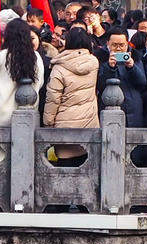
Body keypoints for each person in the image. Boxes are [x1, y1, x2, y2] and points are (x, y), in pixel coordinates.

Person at [0, 18, 44, 167]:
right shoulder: (35, 57)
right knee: (23, 155)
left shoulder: (2, 55)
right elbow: (39, 82)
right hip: (27, 109)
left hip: (2, 107)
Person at [42, 27, 98, 164]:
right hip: (89, 122)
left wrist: (47, 122)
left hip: (64, 124)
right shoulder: (93, 62)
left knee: (64, 168)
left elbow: (53, 98)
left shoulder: (59, 66)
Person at [97, 26, 146, 127]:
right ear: (107, 44)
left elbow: (142, 82)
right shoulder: (99, 58)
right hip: (109, 109)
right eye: (114, 45)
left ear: (127, 44)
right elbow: (100, 85)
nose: (118, 48)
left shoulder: (135, 57)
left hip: (133, 108)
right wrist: (110, 68)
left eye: (122, 45)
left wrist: (132, 67)